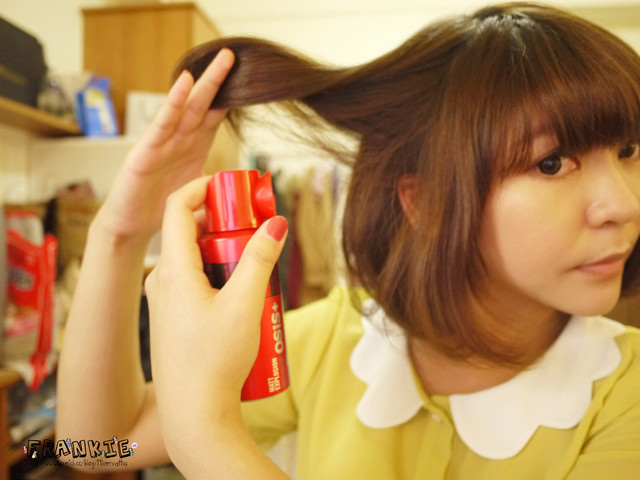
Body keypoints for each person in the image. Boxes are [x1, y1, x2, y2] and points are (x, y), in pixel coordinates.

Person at [56, 2, 640, 478]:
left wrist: (205, 432)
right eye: (552, 162)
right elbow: (96, 448)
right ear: (423, 200)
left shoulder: (627, 396)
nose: (624, 205)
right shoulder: (338, 341)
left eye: (629, 150)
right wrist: (120, 232)